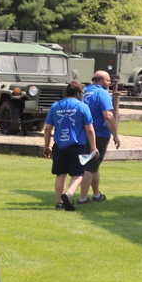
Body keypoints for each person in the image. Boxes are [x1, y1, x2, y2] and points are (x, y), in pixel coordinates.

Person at [42, 81, 97, 212]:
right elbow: (89, 129)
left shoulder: (55, 106)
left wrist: (47, 146)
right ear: (78, 93)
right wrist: (94, 147)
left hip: (59, 146)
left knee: (60, 174)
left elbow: (47, 128)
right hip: (77, 146)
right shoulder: (83, 107)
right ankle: (69, 194)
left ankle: (60, 203)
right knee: (78, 175)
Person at [78, 70, 121, 205]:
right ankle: (83, 198)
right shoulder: (102, 93)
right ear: (101, 81)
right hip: (99, 134)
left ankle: (96, 195)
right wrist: (115, 135)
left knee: (93, 164)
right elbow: (108, 115)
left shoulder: (83, 92)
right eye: (108, 80)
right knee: (89, 167)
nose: (109, 83)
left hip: (82, 133)